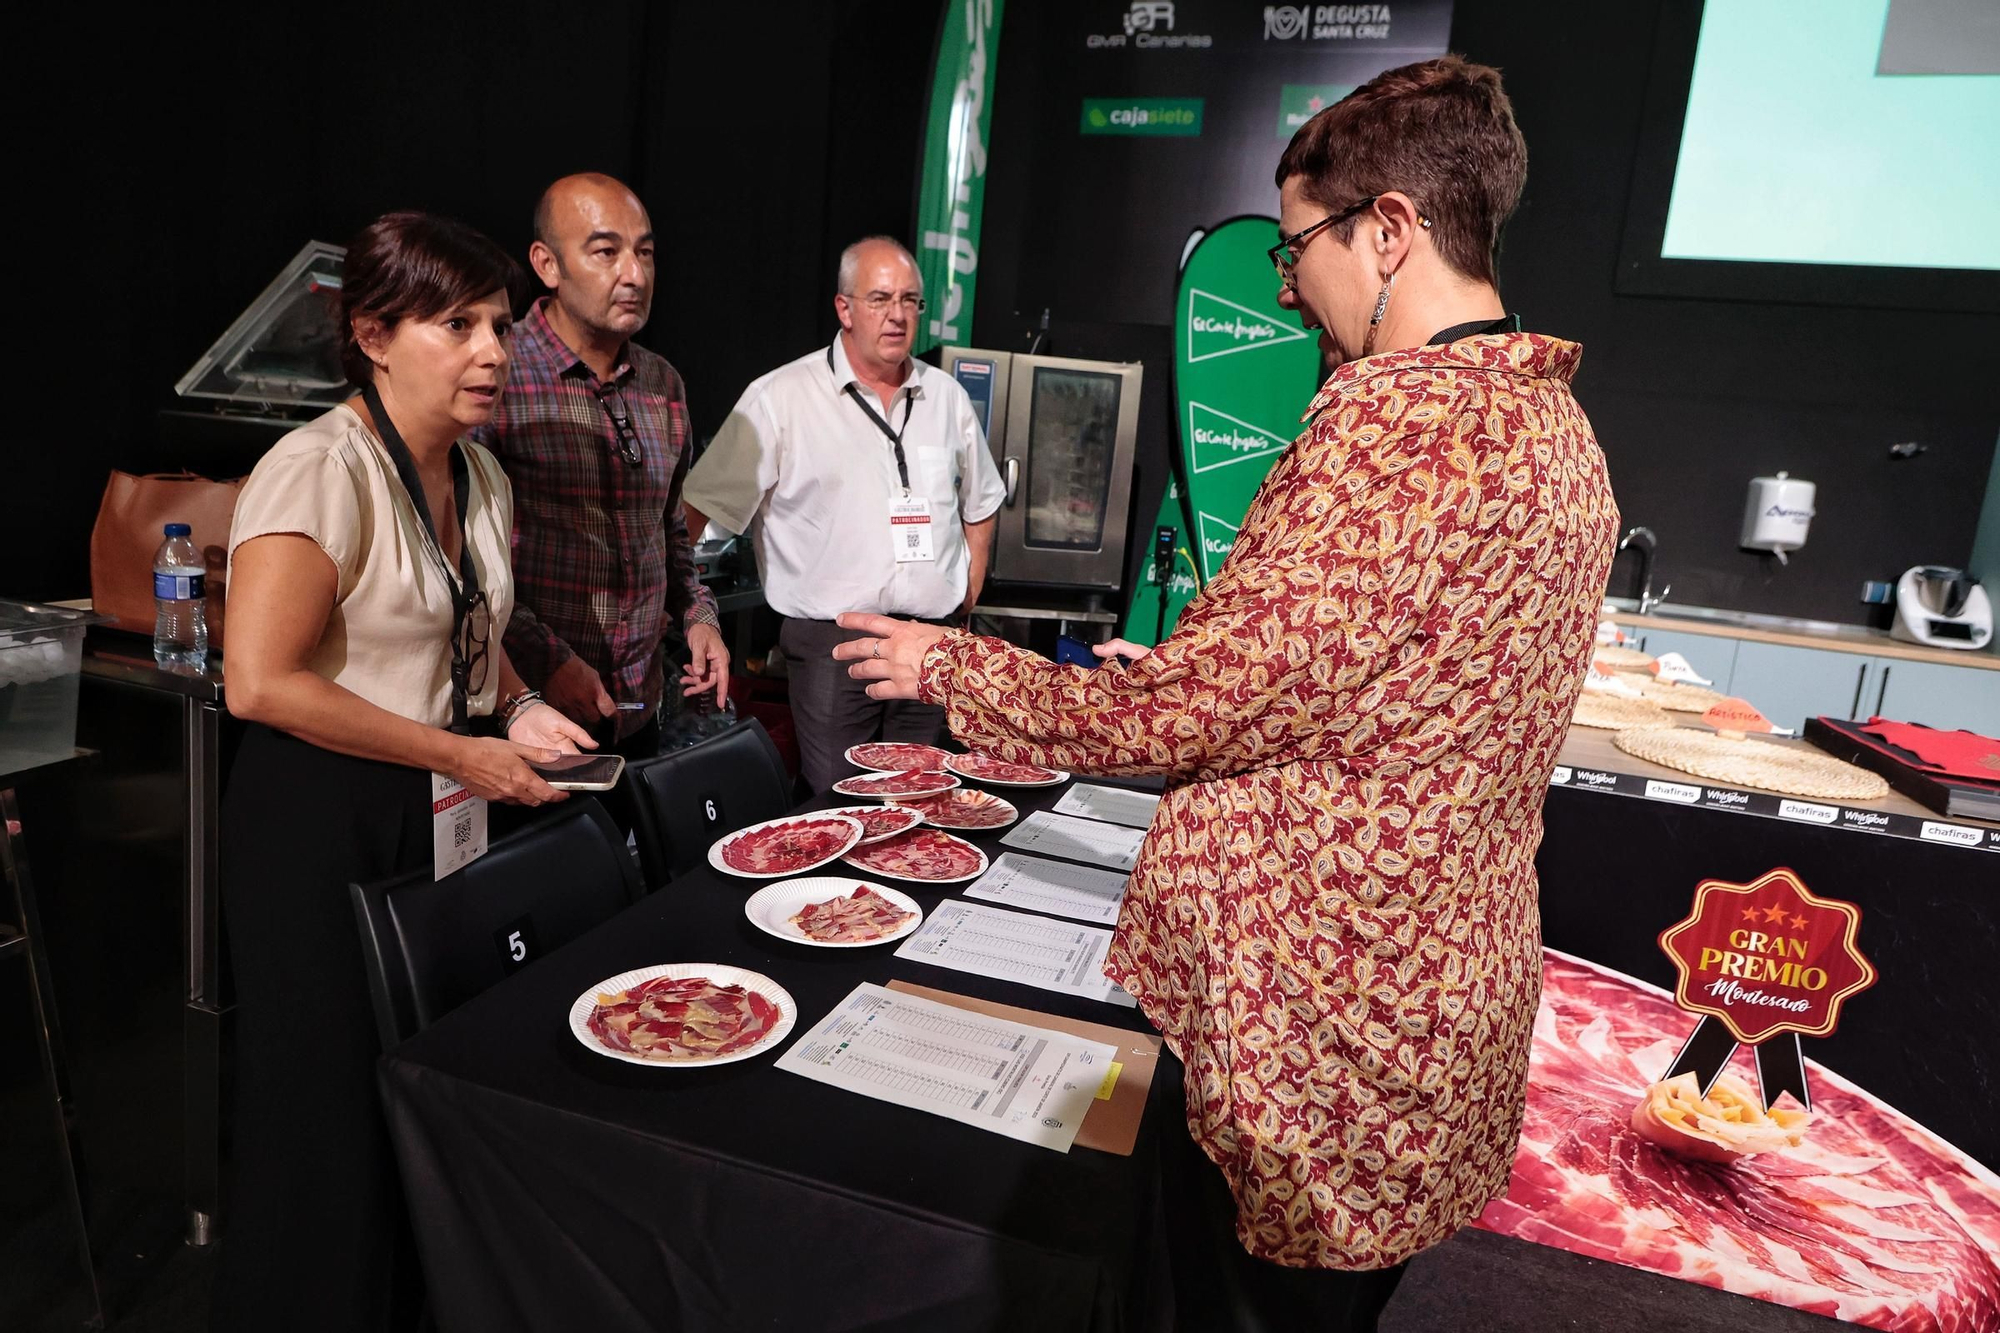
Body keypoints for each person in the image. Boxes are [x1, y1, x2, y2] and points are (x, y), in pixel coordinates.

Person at [834, 57, 1620, 1331]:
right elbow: (1404, 687)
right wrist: (1210, 682)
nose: (1286, 282)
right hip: (1430, 1014)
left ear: (1389, 231)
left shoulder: (1393, 423)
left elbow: (1177, 722)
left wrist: (951, 664)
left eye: (1297, 243)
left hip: (1313, 1035)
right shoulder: (1555, 430)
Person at [216, 211, 593, 1332]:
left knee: (408, 1094)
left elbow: (466, 634)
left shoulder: (481, 476)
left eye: (497, 325)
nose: (492, 352)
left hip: (433, 800)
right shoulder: (316, 467)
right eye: (457, 326)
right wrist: (460, 750)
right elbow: (259, 683)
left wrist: (518, 707)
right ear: (375, 336)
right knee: (321, 1120)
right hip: (316, 817)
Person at [682, 236, 1004, 793]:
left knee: (921, 800)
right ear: (844, 308)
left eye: (910, 300)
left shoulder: (946, 397)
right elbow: (697, 509)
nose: (898, 315)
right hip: (834, 645)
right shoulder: (781, 397)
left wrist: (966, 592)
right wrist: (692, 612)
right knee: (841, 805)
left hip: (930, 641)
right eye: (879, 299)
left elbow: (982, 501)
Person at [469, 172, 725, 803]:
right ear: (547, 264)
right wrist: (544, 660)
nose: (633, 273)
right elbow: (464, 559)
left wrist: (700, 617)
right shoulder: (499, 372)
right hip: (529, 712)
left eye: (645, 251)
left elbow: (669, 530)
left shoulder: (662, 382)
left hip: (639, 710)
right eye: (606, 252)